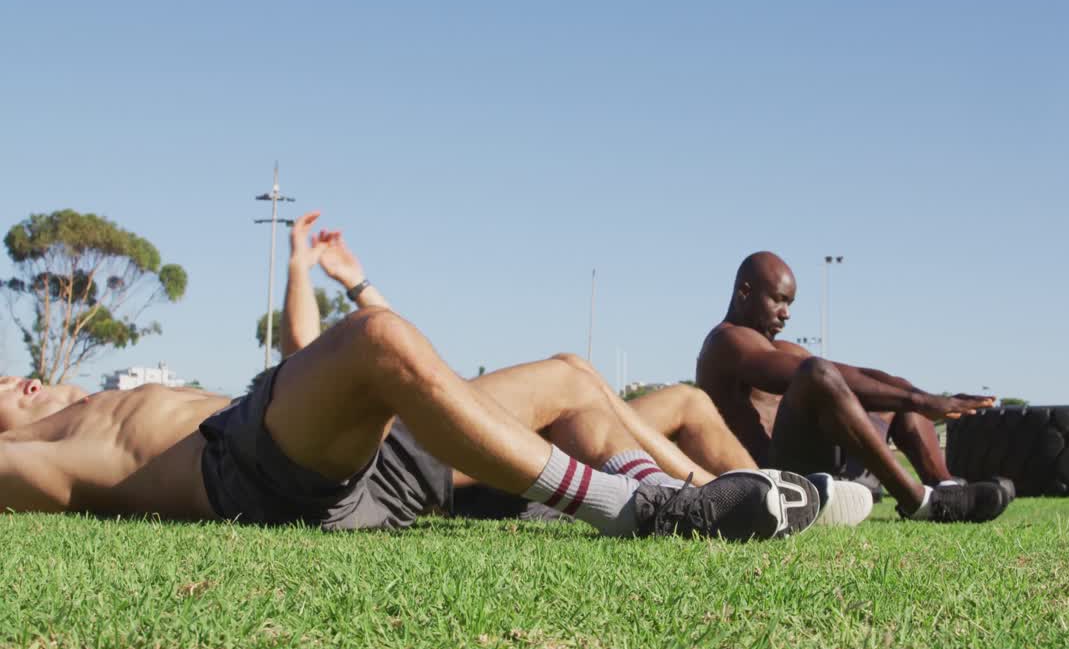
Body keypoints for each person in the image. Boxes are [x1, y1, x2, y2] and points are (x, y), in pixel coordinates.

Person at [0, 247, 829, 542]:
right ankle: (637, 508)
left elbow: (296, 360)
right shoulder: (45, 452)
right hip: (245, 473)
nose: (12, 380)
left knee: (573, 375)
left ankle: (720, 502)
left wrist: (306, 266)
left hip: (300, 441)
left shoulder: (66, 395)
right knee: (378, 340)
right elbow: (308, 355)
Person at [279, 212, 872, 526]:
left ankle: (772, 498)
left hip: (479, 424)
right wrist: (300, 267)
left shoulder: (389, 366)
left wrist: (355, 280)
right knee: (572, 371)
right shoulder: (320, 406)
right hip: (467, 458)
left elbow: (395, 349)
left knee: (685, 401)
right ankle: (715, 497)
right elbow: (308, 350)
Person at [696, 251, 1013, 523]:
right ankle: (920, 502)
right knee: (817, 374)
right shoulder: (726, 342)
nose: (786, 313)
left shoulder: (779, 347)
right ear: (744, 293)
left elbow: (851, 375)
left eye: (790, 303)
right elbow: (810, 375)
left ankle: (944, 487)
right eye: (778, 300)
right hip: (770, 473)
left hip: (815, 463)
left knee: (889, 393)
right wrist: (920, 399)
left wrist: (917, 397)